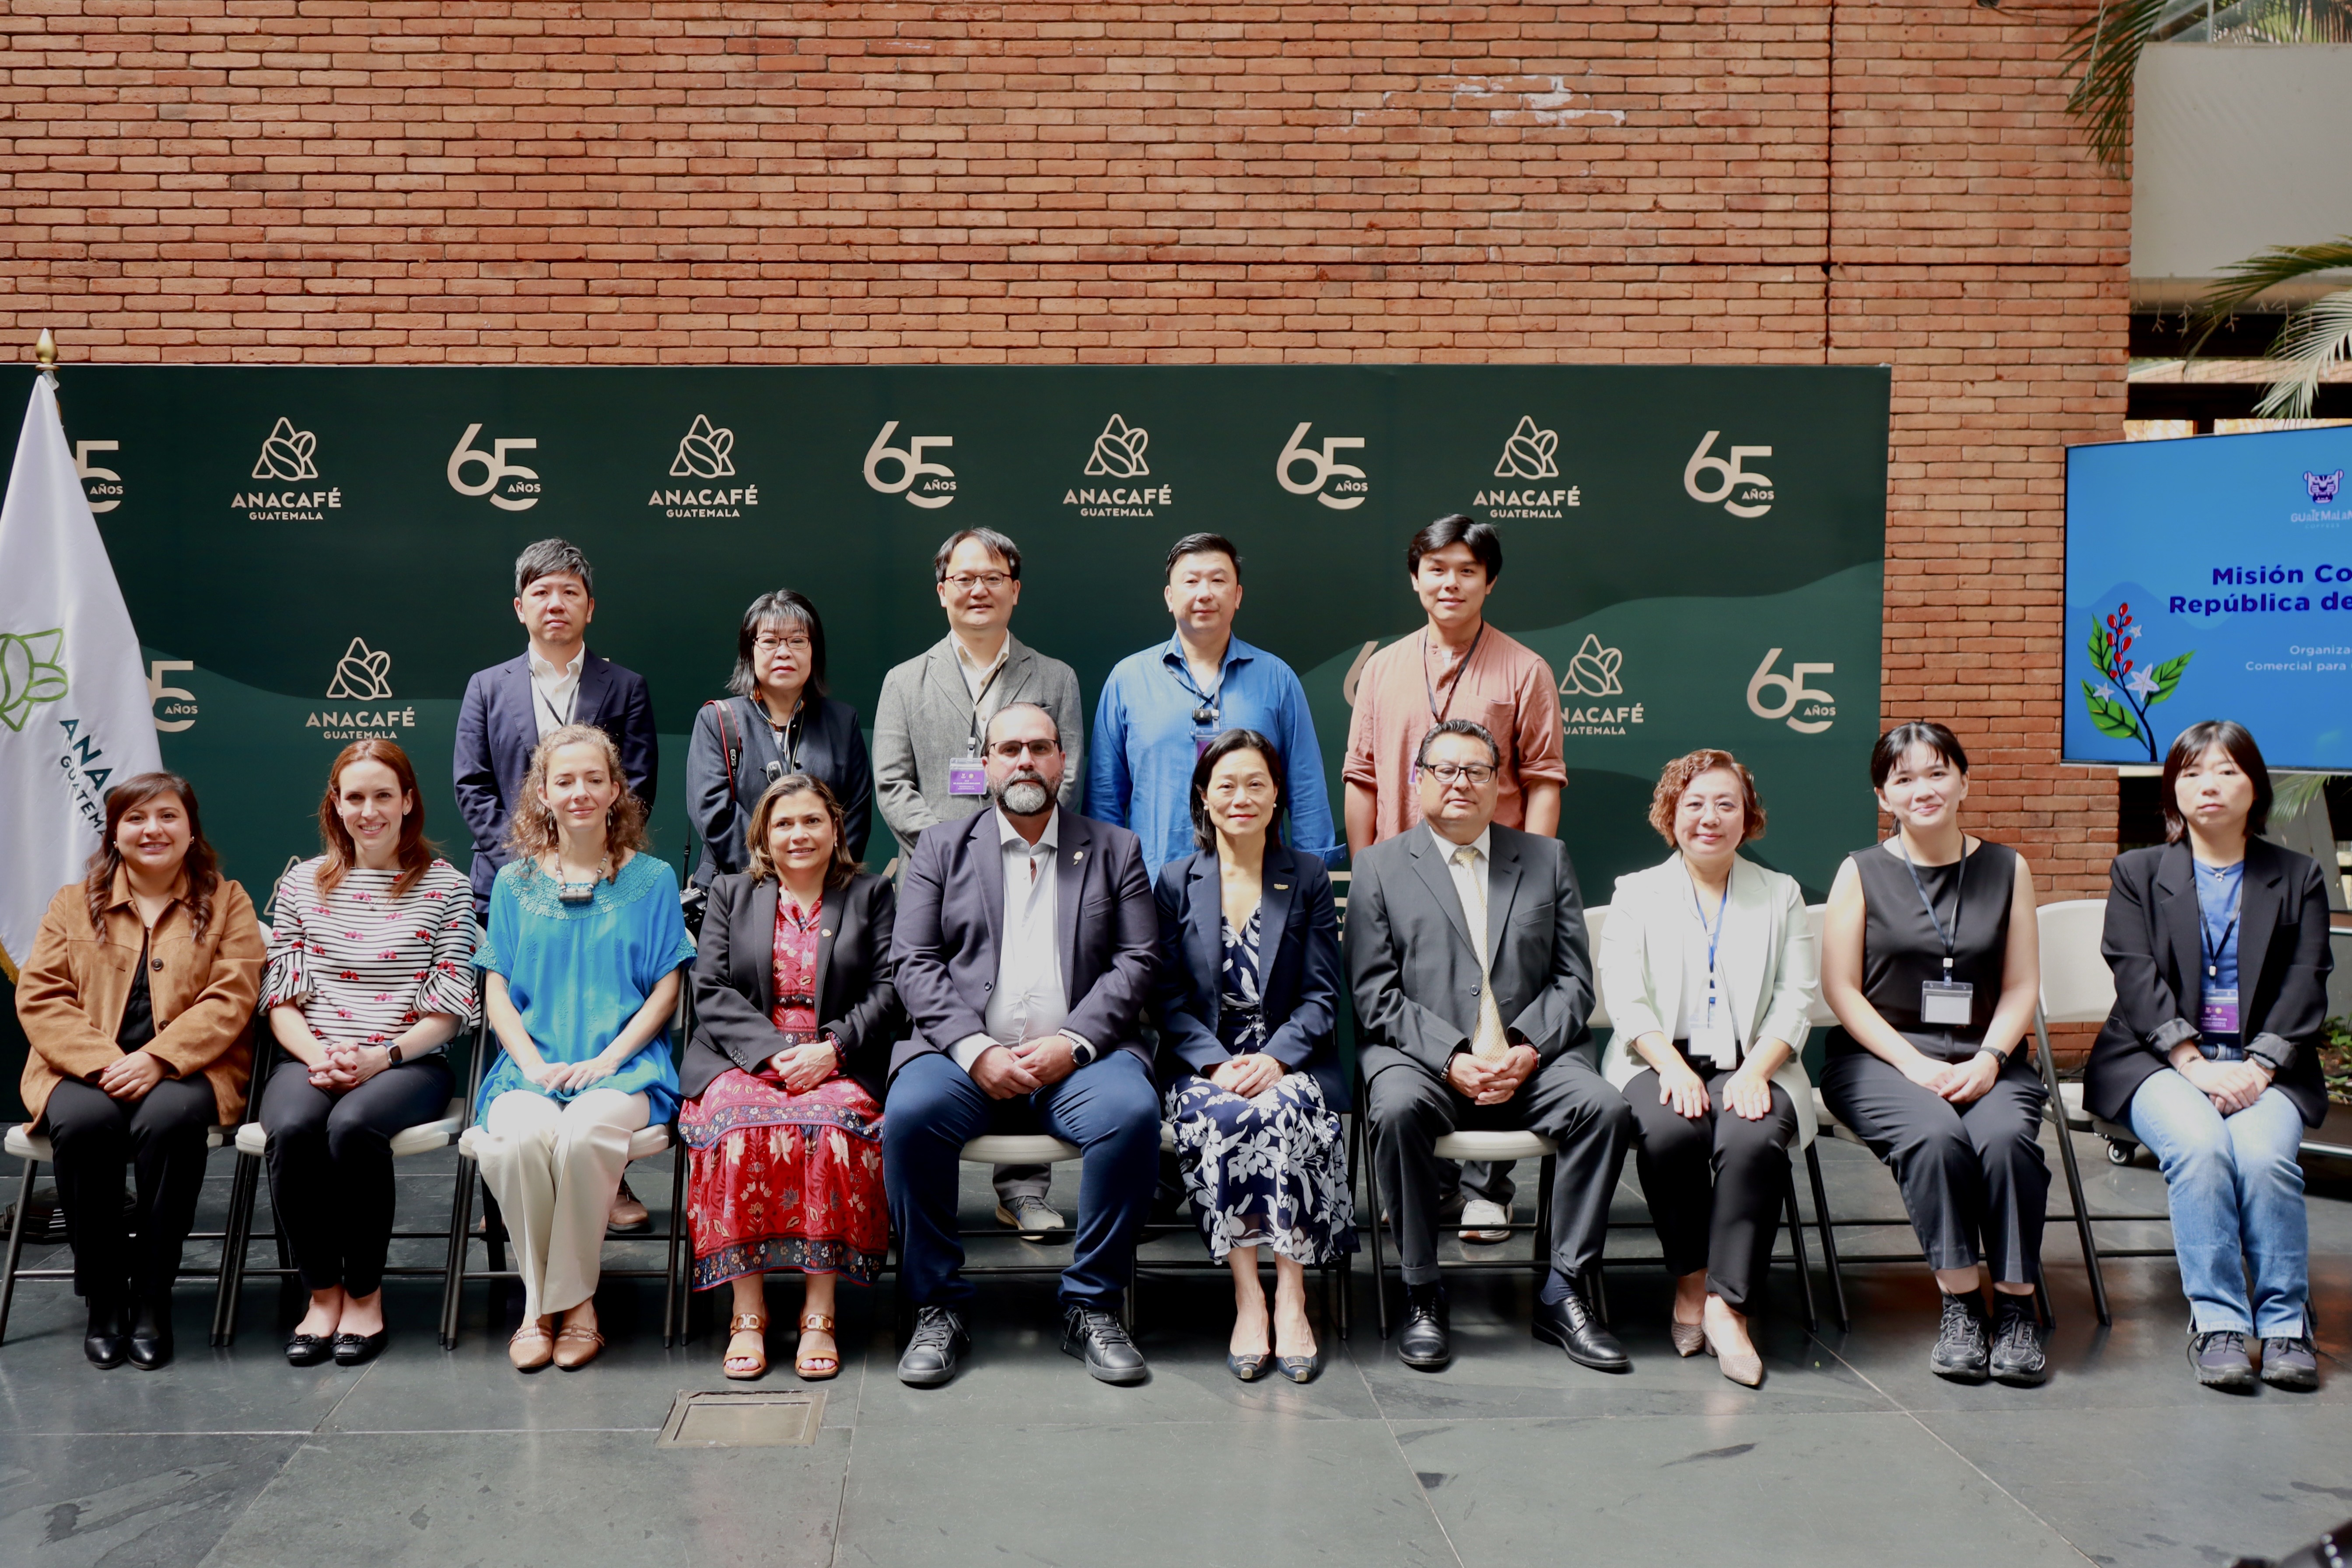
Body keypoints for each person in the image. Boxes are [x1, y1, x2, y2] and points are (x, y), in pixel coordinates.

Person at [881, 702, 1160, 1388]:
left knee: (1131, 1114)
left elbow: (1138, 961)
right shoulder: (941, 849)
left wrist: (1074, 1042)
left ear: (1063, 761)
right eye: (1009, 749)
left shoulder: (1115, 849)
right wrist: (975, 1049)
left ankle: (1093, 1304)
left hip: (1079, 1066)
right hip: (964, 1063)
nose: (1026, 761)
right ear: (986, 765)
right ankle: (938, 1307)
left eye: (1040, 747)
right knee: (910, 1116)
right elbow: (913, 961)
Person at [1347, 719, 1631, 1374]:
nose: (1460, 783)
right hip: (1424, 1062)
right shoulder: (1379, 868)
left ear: (1499, 783)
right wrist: (1451, 1058)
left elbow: (1573, 980)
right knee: (1395, 1107)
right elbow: (1374, 994)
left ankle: (1563, 1290)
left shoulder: (1545, 858)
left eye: (1476, 771)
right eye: (1444, 770)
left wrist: (1528, 1049)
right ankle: (1422, 1290)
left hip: (1532, 1062)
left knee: (1605, 1109)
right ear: (1418, 780)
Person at [1343, 515, 1567, 1244]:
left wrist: (1533, 877)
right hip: (1401, 885)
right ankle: (1419, 1185)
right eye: (1436, 568)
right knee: (1412, 1026)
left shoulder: (1524, 669)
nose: (1450, 582)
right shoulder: (1382, 668)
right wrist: (1368, 869)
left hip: (1492, 880)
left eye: (1467, 570)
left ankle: (1486, 1189)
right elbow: (1362, 777)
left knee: (1492, 1022)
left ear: (1489, 581)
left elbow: (1543, 778)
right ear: (1415, 578)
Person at [2088, 720, 2331, 1391]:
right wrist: (2193, 1064)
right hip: (2158, 1059)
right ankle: (2219, 1320)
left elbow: (2306, 978)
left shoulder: (2299, 876)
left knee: (2263, 1158)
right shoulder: (2138, 872)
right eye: (2192, 773)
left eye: (2227, 770)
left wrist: (2259, 1066)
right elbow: (2134, 973)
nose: (2209, 785)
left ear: (2256, 787)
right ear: (2173, 789)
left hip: (2264, 1065)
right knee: (2199, 1148)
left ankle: (2285, 1325)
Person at [1820, 721, 2049, 1386]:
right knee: (1936, 1137)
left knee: (2006, 1139)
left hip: (1986, 1054)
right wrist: (1913, 1065)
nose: (1923, 789)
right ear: (1883, 795)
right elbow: (1841, 988)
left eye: (1937, 772)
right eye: (1904, 778)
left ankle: (2017, 1308)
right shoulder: (1861, 871)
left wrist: (1991, 1058)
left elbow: (2022, 985)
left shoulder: (2007, 868)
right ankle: (1961, 1303)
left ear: (1964, 782)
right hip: (1879, 1059)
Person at [873, 527, 1086, 1240]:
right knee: (942, 1030)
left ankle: (1022, 1189)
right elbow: (892, 786)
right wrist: (959, 852)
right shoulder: (905, 680)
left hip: (1034, 875)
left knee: (1030, 1019)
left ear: (1014, 589)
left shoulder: (1054, 676)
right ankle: (921, 1202)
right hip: (932, 885)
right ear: (942, 590)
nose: (978, 589)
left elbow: (1068, 776)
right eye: (963, 578)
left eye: (993, 577)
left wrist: (1009, 845)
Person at [14, 774, 263, 1371]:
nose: (153, 830)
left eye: (168, 816)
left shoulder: (228, 900)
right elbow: (42, 996)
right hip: (81, 1070)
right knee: (83, 1125)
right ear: (114, 832)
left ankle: (153, 1296)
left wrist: (158, 1058)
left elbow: (232, 995)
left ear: (191, 829)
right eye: (137, 818)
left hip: (186, 1070)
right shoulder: (72, 903)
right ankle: (104, 1298)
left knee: (170, 1122)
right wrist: (104, 1063)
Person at [471, 723, 693, 1372]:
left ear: (616, 789)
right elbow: (497, 990)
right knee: (516, 1140)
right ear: (542, 793)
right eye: (565, 781)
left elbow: (667, 987)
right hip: (531, 1067)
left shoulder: (653, 880)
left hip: (625, 1068)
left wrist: (610, 1060)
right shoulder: (512, 884)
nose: (580, 792)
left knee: (585, 1133)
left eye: (595, 779)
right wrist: (533, 1065)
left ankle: (562, 1305)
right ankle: (555, 1304)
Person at [454, 538, 662, 1233]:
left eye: (570, 591)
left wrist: (590, 857)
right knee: (526, 1019)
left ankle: (609, 1178)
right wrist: (533, 861)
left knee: (605, 1012)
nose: (556, 603)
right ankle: (519, 1181)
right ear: (521, 607)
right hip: (515, 884)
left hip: (605, 882)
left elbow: (637, 784)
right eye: (542, 592)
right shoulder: (488, 686)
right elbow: (472, 785)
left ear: (589, 606)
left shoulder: (624, 686)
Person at [1598, 750, 1819, 1388]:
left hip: (1756, 1059)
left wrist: (1756, 1070)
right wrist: (1670, 1065)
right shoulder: (1637, 892)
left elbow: (1796, 996)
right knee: (1671, 1131)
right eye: (1694, 804)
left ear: (1748, 817)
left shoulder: (1780, 893)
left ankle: (1727, 1306)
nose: (1710, 817)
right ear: (1671, 815)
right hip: (1655, 1057)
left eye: (1726, 804)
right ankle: (1691, 1282)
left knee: (1753, 1137)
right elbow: (1625, 996)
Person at [260, 741, 477, 1368]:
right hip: (312, 1055)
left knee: (353, 1127)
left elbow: (448, 1011)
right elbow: (282, 1002)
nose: (369, 810)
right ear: (336, 804)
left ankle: (364, 1295)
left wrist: (380, 1058)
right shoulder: (301, 883)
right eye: (354, 797)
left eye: (384, 795)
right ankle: (322, 1294)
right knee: (293, 1128)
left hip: (408, 1063)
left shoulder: (447, 887)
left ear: (408, 801)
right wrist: (320, 1057)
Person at [682, 774, 902, 1382]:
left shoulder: (872, 894)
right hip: (745, 1056)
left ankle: (819, 1312)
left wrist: (833, 1050)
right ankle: (747, 1311)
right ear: (763, 836)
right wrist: (774, 1053)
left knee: (830, 1128)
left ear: (835, 829)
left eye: (812, 821)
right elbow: (711, 988)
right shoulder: (731, 893)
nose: (798, 834)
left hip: (840, 1055)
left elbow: (890, 989)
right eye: (783, 823)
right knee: (735, 1129)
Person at [1154, 730, 1354, 1385]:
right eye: (1227, 785)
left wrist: (1276, 1060)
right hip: (1205, 1060)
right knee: (1227, 1114)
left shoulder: (1309, 875)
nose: (1241, 797)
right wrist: (1215, 1064)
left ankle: (1292, 1292)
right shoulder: (1176, 881)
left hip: (1292, 1057)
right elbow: (1165, 1000)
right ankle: (1249, 1295)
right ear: (1204, 798)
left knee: (1283, 1110)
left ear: (1276, 797)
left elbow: (1323, 995)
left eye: (1256, 784)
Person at [1088, 533, 1341, 884]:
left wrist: (1310, 884)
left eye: (1218, 581)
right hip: (1152, 887)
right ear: (1170, 597)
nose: (1205, 593)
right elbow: (1105, 799)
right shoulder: (1128, 679)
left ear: (1237, 596)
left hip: (1259, 886)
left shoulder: (1277, 678)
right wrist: (1111, 887)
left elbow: (1306, 789)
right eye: (1191, 581)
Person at [685, 590, 875, 897]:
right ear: (749, 651)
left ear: (814, 652)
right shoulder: (717, 720)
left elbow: (855, 815)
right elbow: (714, 813)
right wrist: (778, 877)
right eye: (771, 641)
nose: (784, 652)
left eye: (798, 641)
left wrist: (817, 880)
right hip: (738, 892)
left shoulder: (843, 722)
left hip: (825, 894)